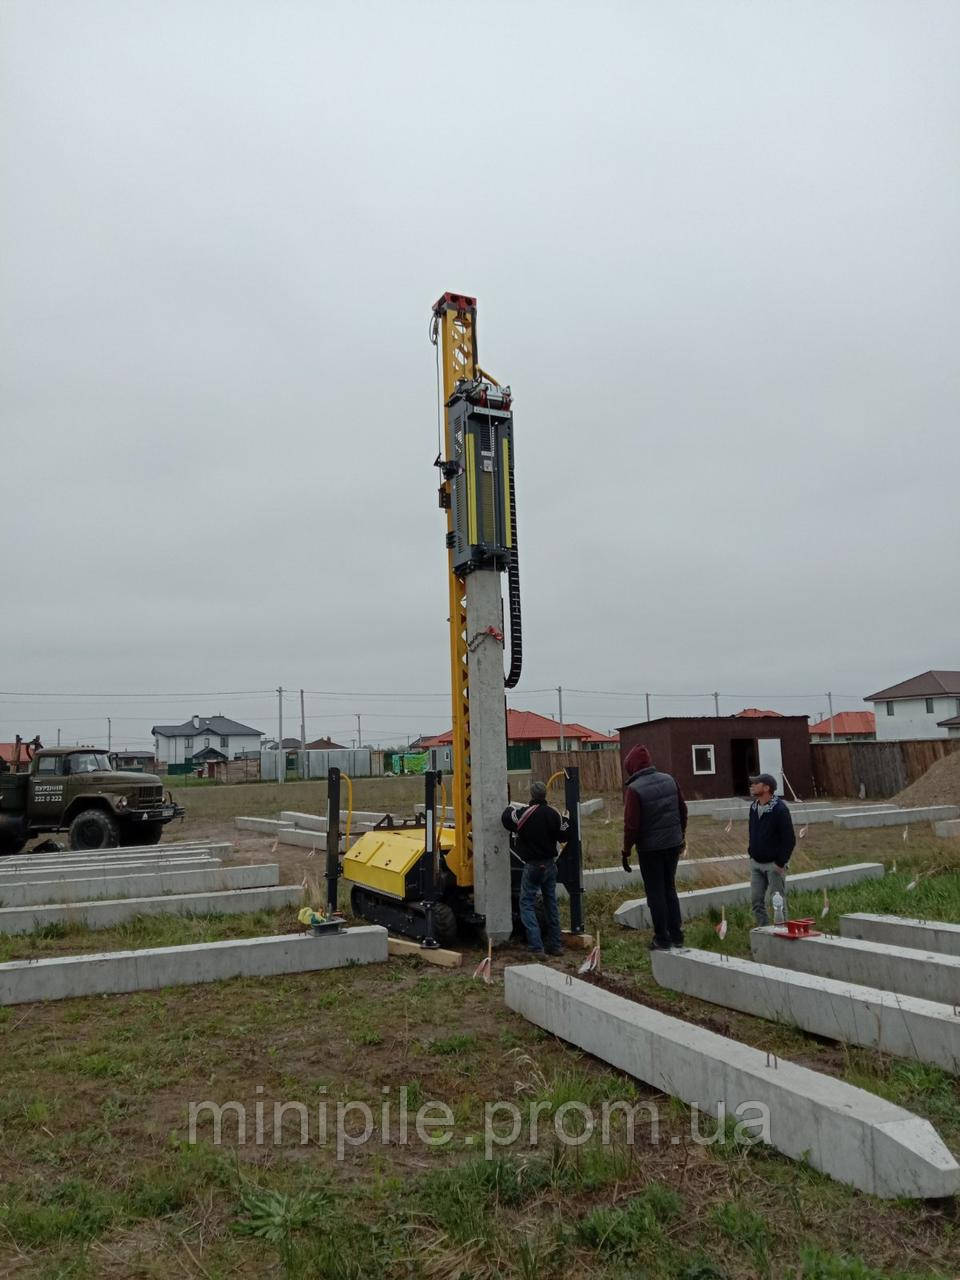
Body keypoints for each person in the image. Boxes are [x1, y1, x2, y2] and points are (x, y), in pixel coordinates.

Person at [621, 744, 688, 951]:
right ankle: (676, 934)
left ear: (632, 767)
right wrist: (680, 836)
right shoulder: (669, 780)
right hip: (673, 844)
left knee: (655, 893)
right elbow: (682, 810)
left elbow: (632, 826)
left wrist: (626, 850)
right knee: (670, 888)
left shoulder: (634, 789)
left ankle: (662, 938)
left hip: (650, 849)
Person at [501, 780, 569, 956]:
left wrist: (508, 805)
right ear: (545, 794)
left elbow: (507, 819)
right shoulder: (553, 814)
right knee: (551, 904)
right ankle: (555, 945)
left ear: (532, 795)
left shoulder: (525, 814)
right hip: (549, 865)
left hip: (532, 866)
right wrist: (567, 818)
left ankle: (536, 947)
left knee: (527, 905)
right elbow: (564, 834)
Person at [747, 772, 795, 926]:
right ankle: (764, 931)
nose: (752, 786)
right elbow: (752, 831)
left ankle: (781, 932)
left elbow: (789, 839)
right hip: (756, 863)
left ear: (767, 788)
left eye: (756, 783)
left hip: (774, 865)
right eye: (752, 783)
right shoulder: (753, 807)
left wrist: (780, 863)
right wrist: (751, 852)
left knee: (777, 903)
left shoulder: (780, 809)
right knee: (756, 901)